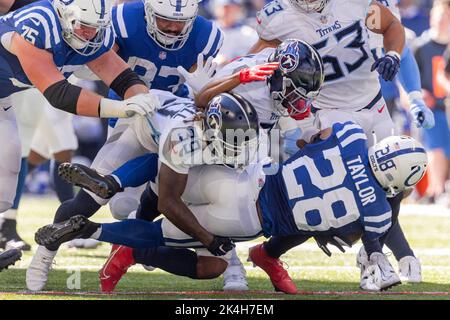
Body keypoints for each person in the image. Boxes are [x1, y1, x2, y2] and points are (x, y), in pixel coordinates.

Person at [55, 39, 324, 291]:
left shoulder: (273, 76)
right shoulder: (245, 92)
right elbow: (203, 102)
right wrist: (209, 240)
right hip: (187, 129)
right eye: (293, 92)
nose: (297, 101)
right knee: (161, 195)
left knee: (181, 203)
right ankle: (113, 201)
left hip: (223, 138)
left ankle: (126, 233)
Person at [34, 122, 428, 293]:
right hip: (249, 219)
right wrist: (382, 254)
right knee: (169, 239)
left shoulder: (353, 134)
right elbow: (371, 243)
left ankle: (114, 181)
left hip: (248, 177)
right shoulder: (377, 210)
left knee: (168, 168)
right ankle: (92, 231)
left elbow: (311, 141)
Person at [0, 0, 158, 216]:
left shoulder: (93, 33)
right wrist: (123, 108)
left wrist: (146, 104)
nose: (89, 33)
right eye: (83, 25)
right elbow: (59, 94)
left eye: (95, 27)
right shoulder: (38, 23)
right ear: (64, 15)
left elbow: (122, 78)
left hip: (2, 97)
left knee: (3, 190)